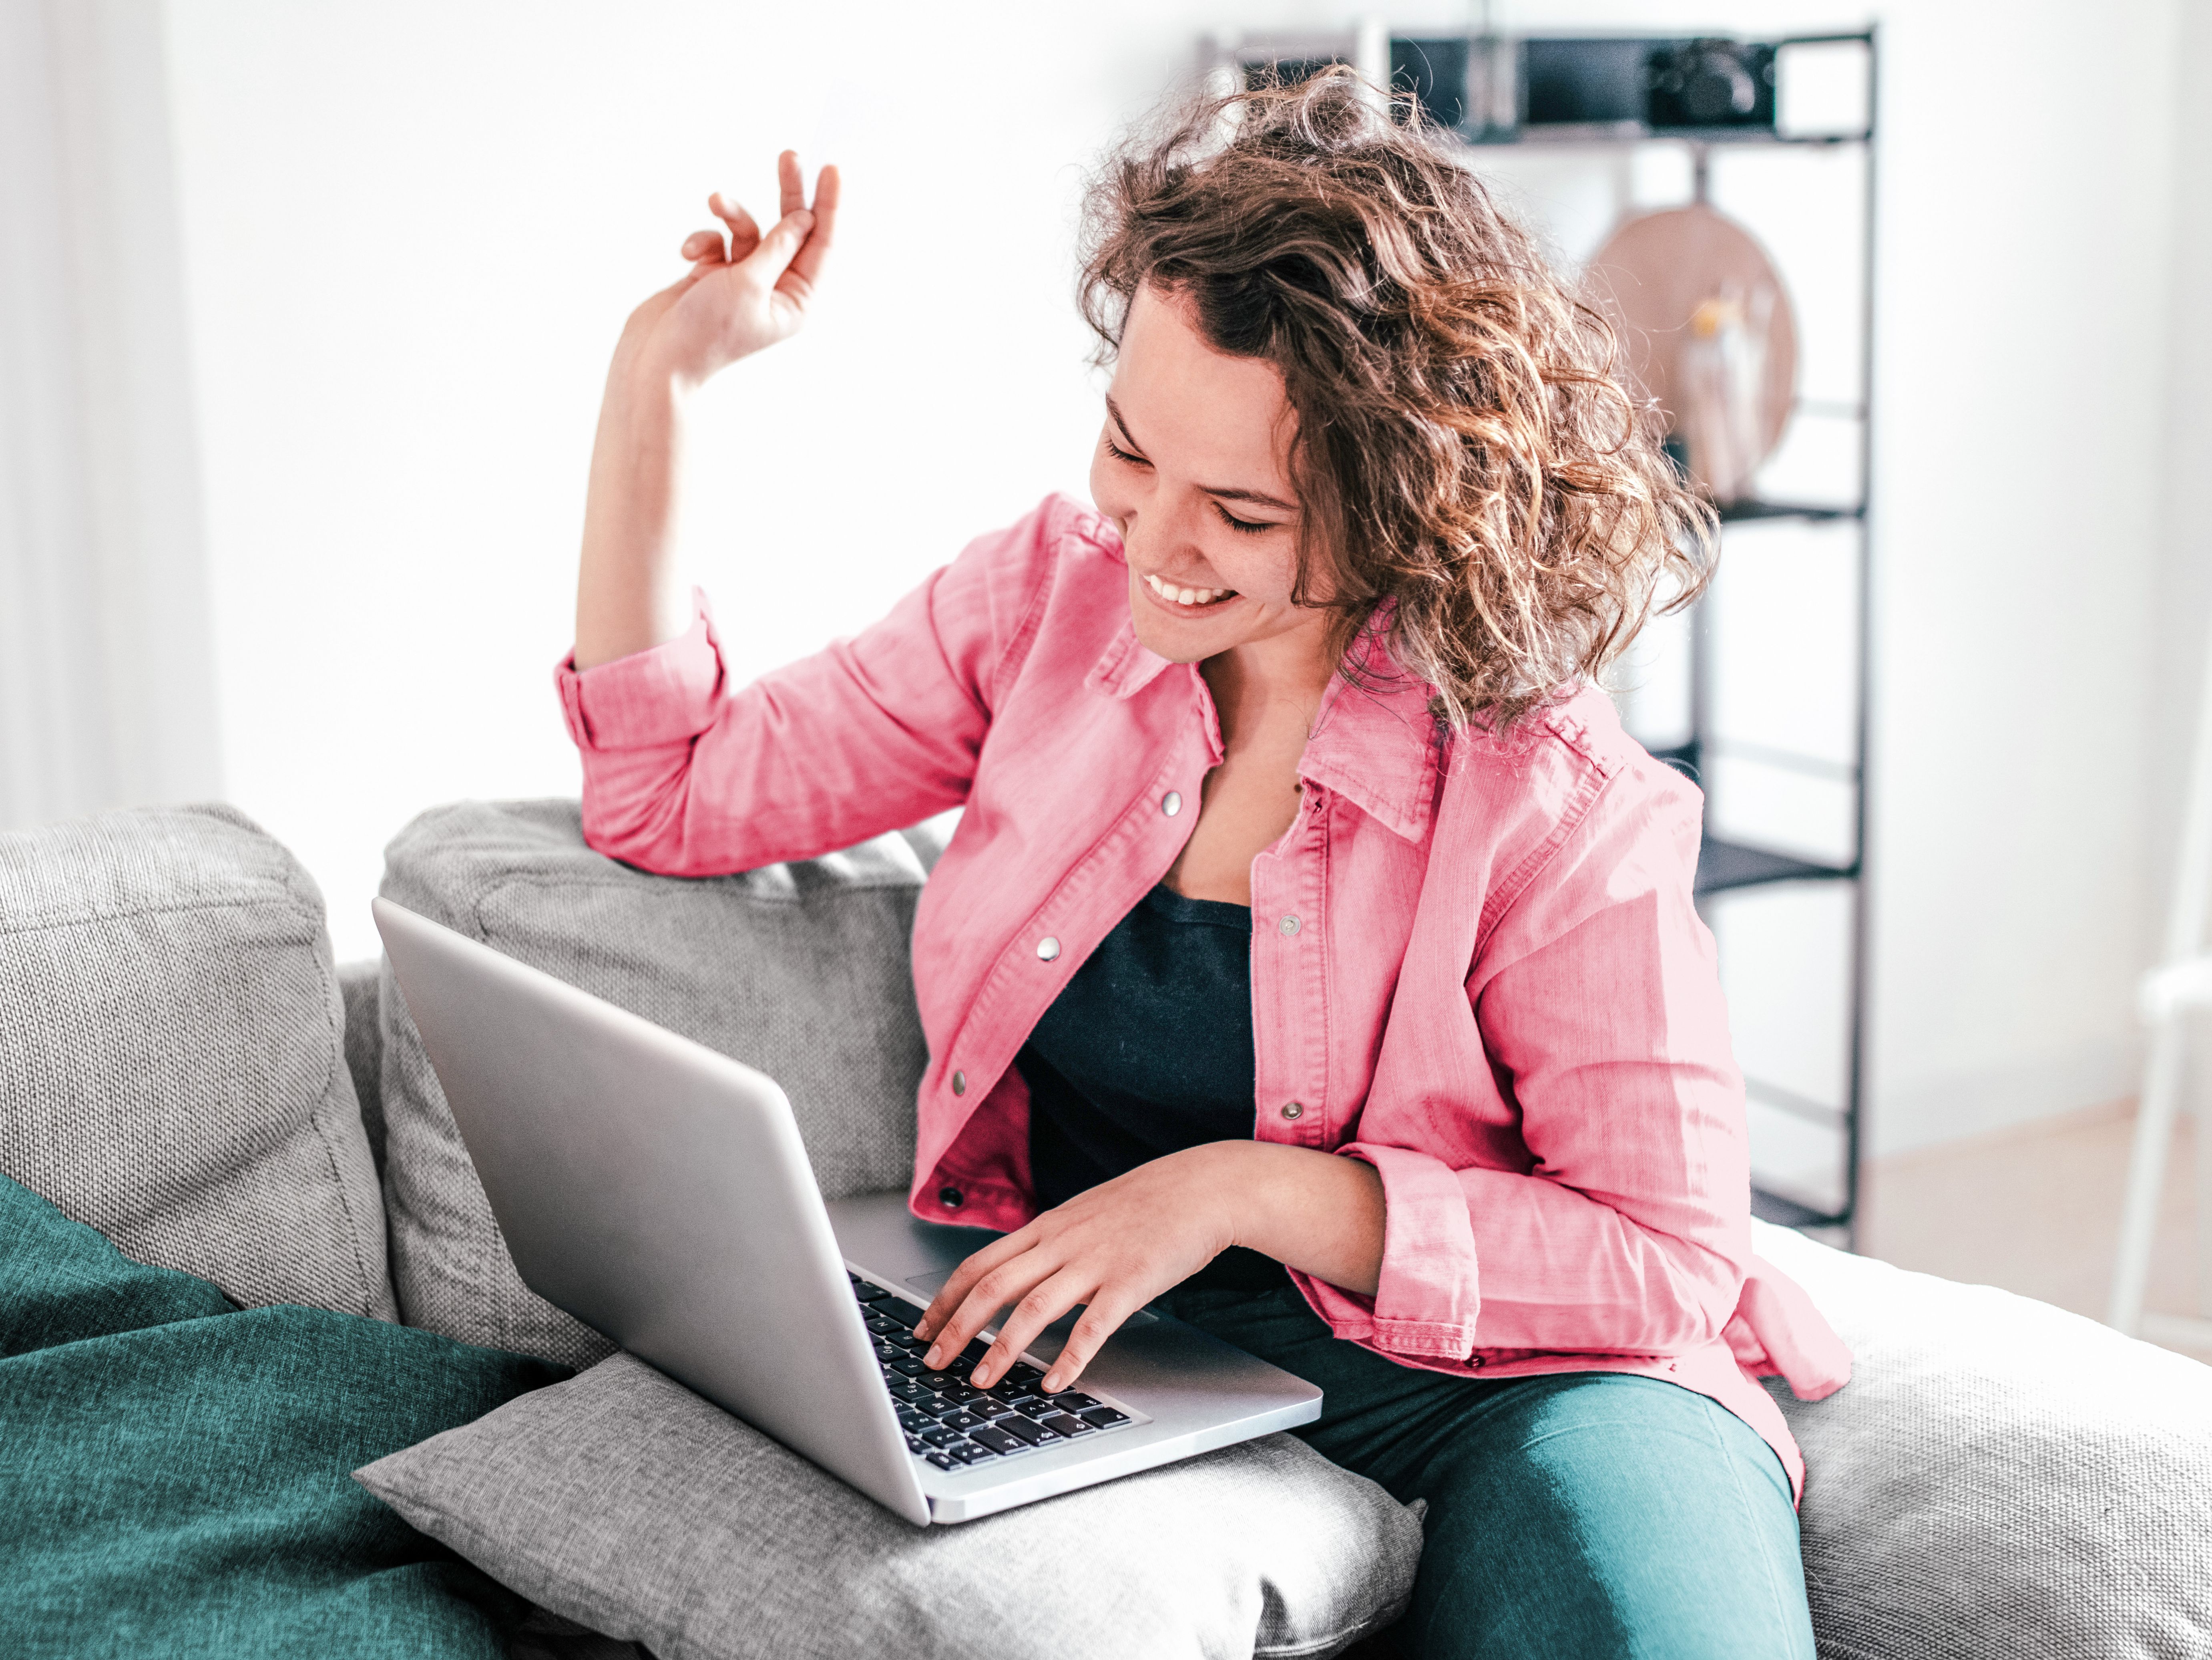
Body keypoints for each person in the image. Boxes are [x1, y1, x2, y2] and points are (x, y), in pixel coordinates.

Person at [558, 71, 1848, 1660]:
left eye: (1238, 511)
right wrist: (657, 384)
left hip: (1529, 1375)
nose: (1151, 543)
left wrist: (1236, 1191)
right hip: (1121, 1358)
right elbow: (669, 793)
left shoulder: (1543, 784)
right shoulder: (1046, 601)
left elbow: (1663, 1256)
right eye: (1128, 450)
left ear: (1400, 508)